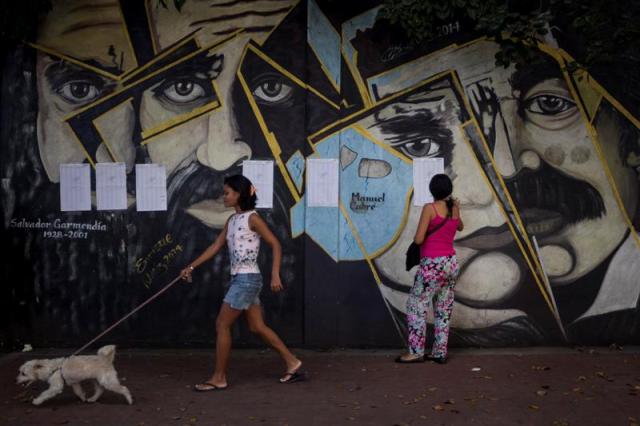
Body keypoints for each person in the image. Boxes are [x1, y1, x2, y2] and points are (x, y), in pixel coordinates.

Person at [180, 175, 303, 390]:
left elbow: (275, 243)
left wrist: (275, 274)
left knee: (222, 324)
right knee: (257, 326)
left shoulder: (252, 219)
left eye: (227, 192)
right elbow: (215, 246)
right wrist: (191, 266)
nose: (223, 196)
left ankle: (219, 377)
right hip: (242, 279)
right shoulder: (232, 221)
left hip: (247, 280)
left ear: (238, 194)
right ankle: (293, 362)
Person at [396, 174, 464, 363]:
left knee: (417, 305)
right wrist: (455, 207)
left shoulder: (430, 208)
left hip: (433, 264)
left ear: (432, 190)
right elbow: (460, 227)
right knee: (443, 307)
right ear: (449, 190)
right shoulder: (454, 208)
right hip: (450, 263)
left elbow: (418, 239)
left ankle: (416, 352)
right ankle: (439, 352)